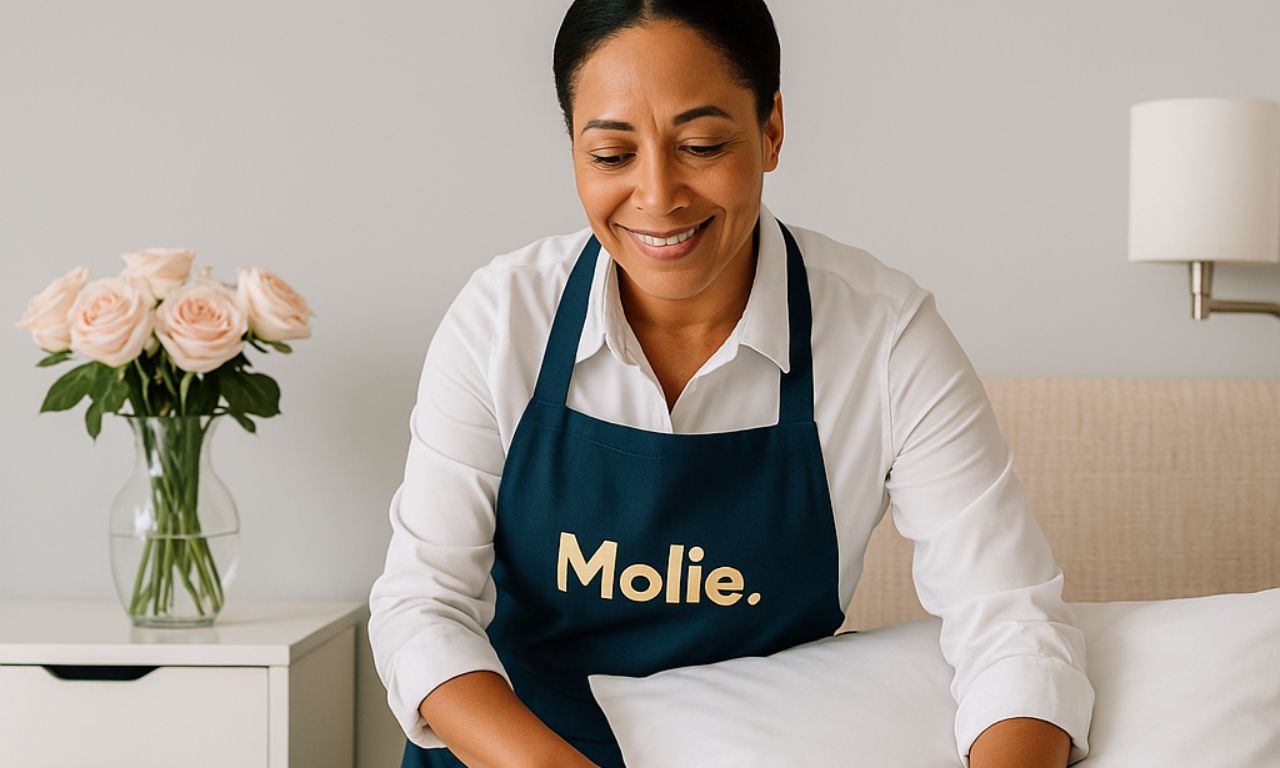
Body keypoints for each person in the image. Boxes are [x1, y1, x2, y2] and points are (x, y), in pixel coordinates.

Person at [369, 2, 1095, 767]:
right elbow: (423, 607)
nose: (657, 196)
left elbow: (1011, 628)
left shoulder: (883, 337)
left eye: (701, 146)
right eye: (612, 155)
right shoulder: (503, 318)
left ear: (771, 129)